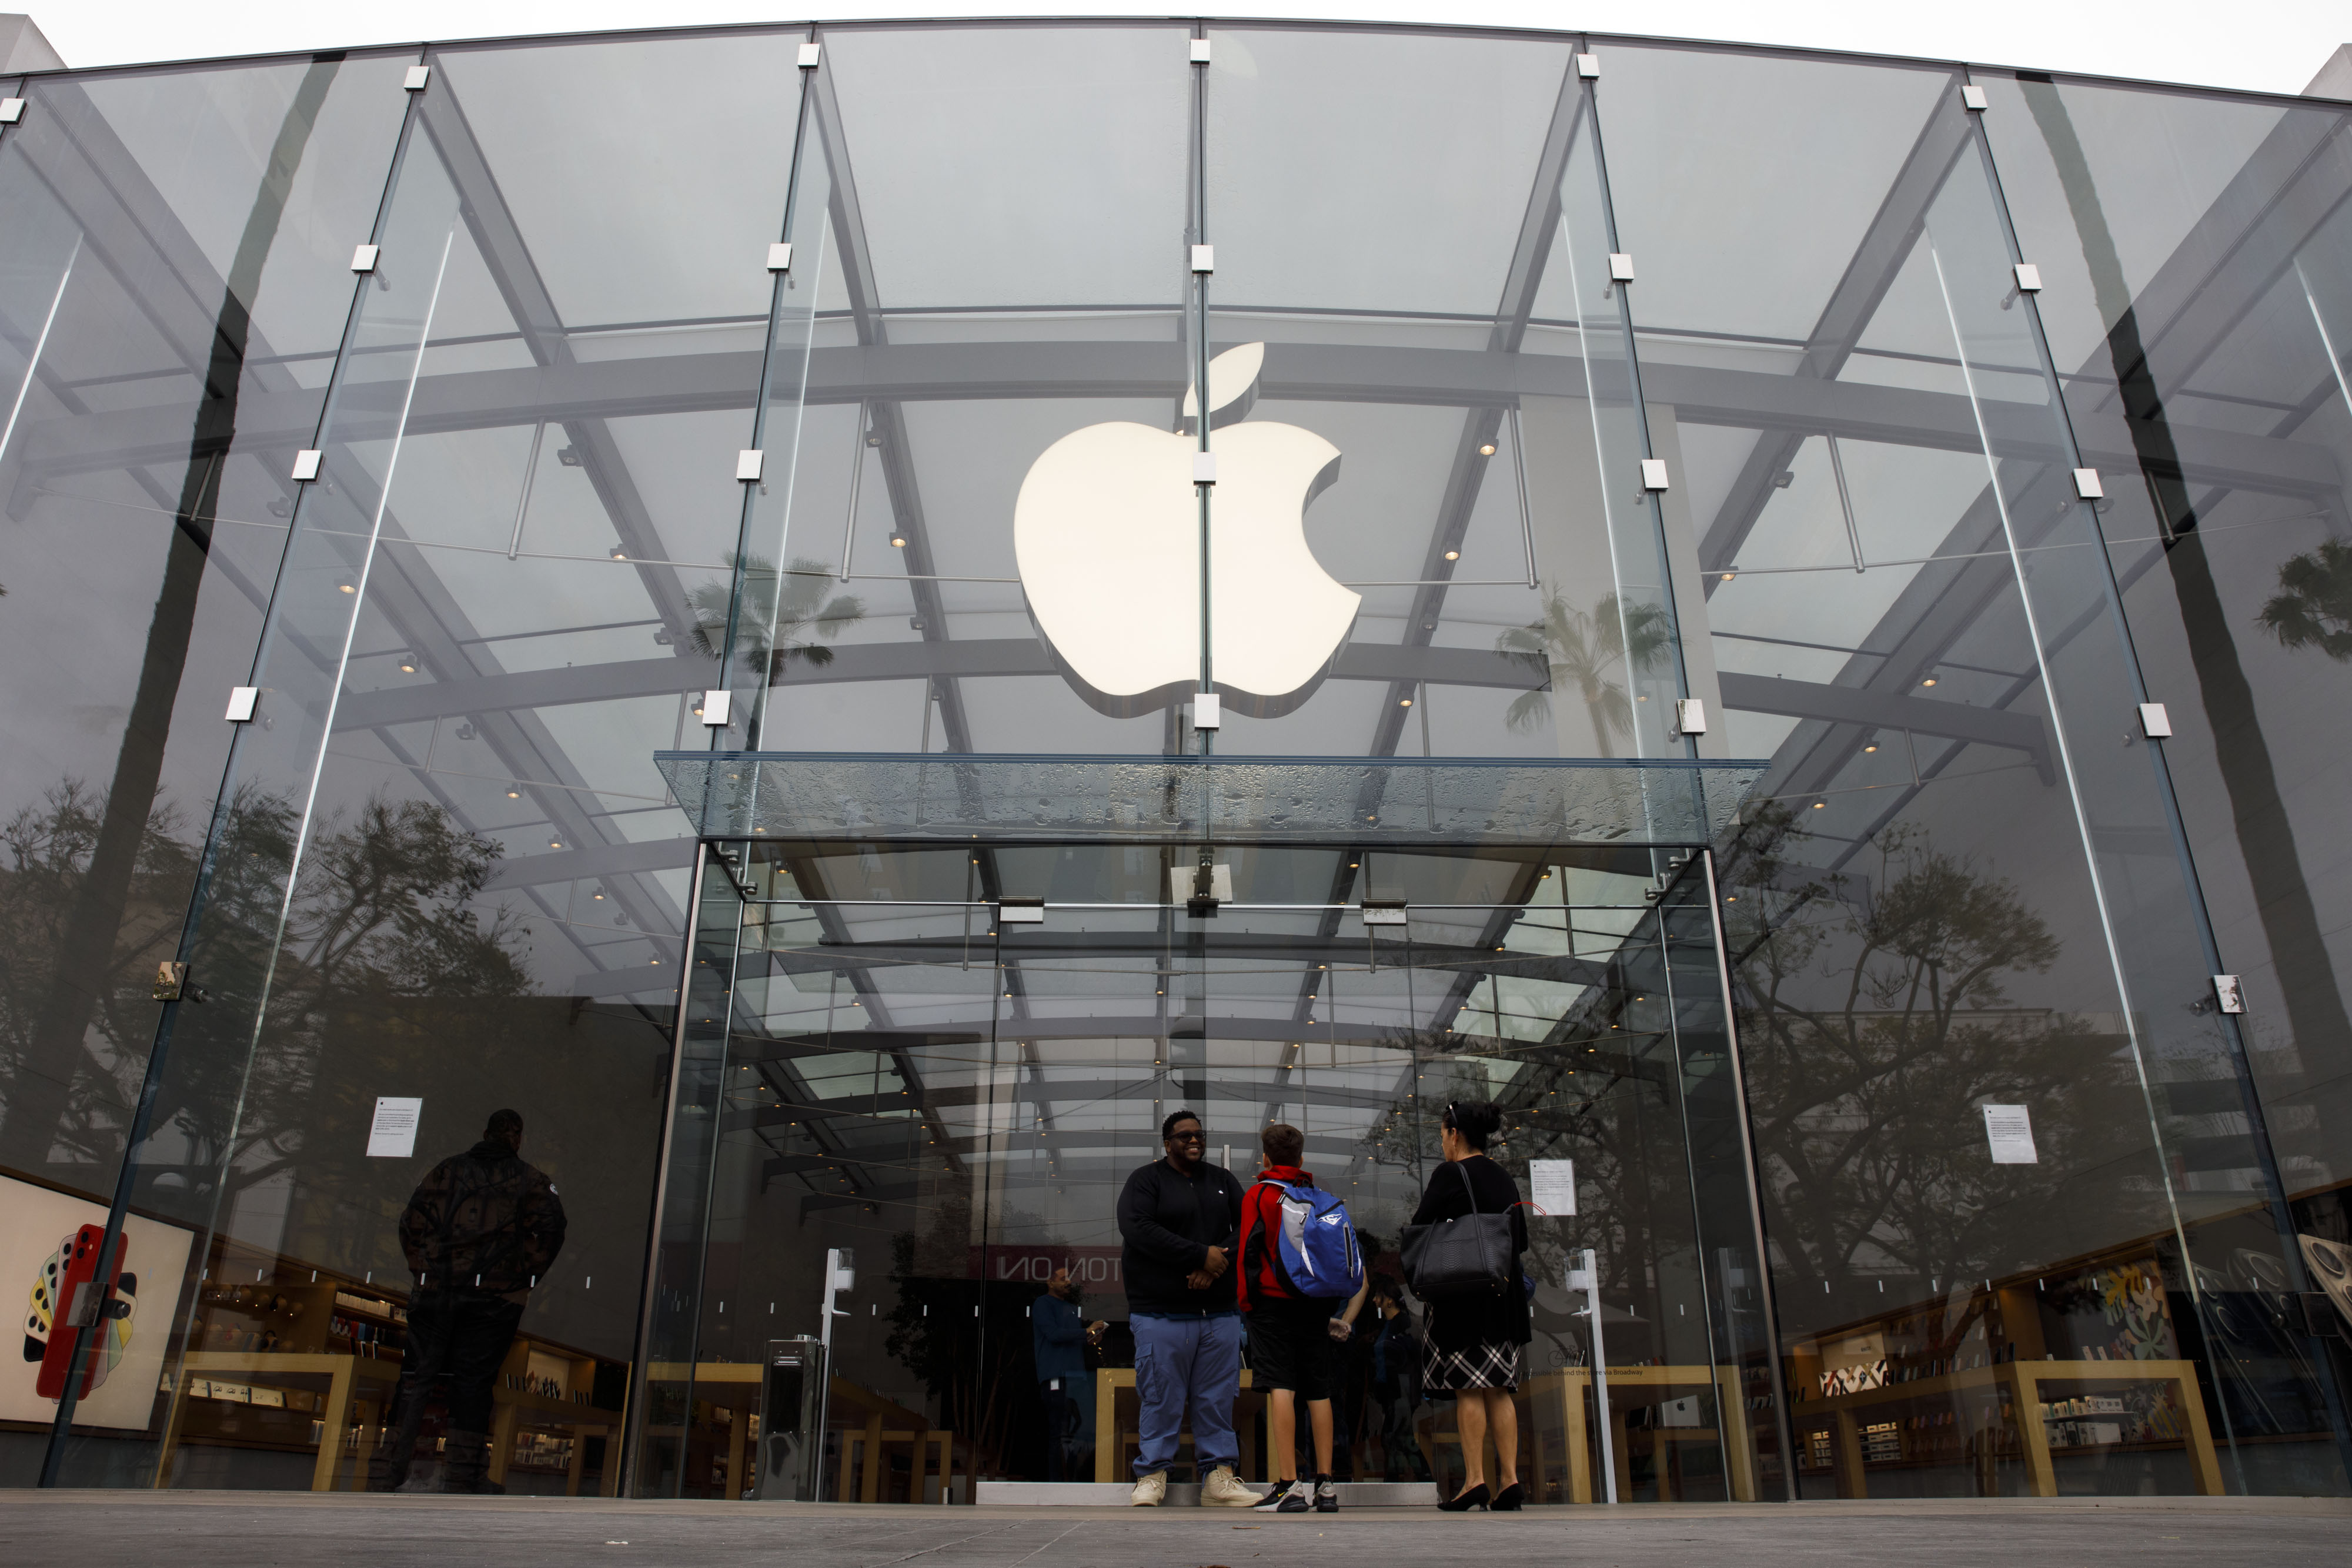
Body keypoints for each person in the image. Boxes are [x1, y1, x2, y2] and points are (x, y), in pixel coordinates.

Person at [375, 1109, 567, 1492]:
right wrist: (518, 1280)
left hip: (437, 1293)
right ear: (517, 1137)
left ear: (486, 1133)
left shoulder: (447, 1171)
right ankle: (462, 1474)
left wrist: (427, 1272)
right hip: (491, 1301)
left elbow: (411, 1221)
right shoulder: (530, 1180)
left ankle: (391, 1467)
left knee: (417, 1379)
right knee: (473, 1384)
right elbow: (552, 1230)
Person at [1115, 1109, 1256, 1507]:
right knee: (1161, 1396)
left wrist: (1212, 1266)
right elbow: (1137, 1227)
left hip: (1219, 1315)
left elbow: (1247, 1229)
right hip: (1160, 1313)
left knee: (1216, 1399)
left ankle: (1219, 1478)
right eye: (1184, 1135)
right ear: (1167, 1143)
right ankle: (1152, 1474)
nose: (1194, 1140)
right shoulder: (1147, 1180)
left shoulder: (1223, 1181)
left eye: (1199, 1134)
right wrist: (1198, 1255)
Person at [1235, 1122, 1368, 1513]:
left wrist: (1246, 1304)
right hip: (1315, 1304)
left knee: (1281, 1385)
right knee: (1318, 1388)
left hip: (1273, 1305)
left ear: (1266, 1158)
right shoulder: (1318, 1196)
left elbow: (1247, 1253)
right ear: (1302, 1159)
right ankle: (1326, 1485)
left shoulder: (1259, 1194)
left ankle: (1289, 1484)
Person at [1408, 1101, 1529, 1510]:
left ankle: (1475, 1479)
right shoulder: (1504, 1177)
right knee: (1499, 1390)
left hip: (1463, 1297)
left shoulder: (1450, 1173)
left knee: (1469, 1392)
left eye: (1443, 1134)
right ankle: (1510, 1479)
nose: (1442, 1142)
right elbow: (1520, 1240)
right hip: (1503, 1297)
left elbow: (1421, 1227)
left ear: (1454, 1134)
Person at [1032, 1266, 1105, 1482]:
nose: (1068, 1282)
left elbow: (1075, 1339)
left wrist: (1091, 1338)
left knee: (1079, 1433)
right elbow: (1054, 1335)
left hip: (1077, 1379)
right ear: (1049, 1281)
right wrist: (1085, 1332)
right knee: (1059, 1433)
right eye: (1063, 1278)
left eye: (1069, 1279)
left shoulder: (1072, 1309)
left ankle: (1074, 1483)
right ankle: (1057, 1486)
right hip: (1056, 1377)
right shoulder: (1042, 1304)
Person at [1367, 1278, 1434, 1482]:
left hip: (1402, 1390)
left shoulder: (1405, 1326)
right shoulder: (1388, 1327)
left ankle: (1416, 1477)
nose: (1374, 1300)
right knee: (1397, 1436)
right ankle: (1407, 1477)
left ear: (1389, 1301)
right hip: (1392, 1392)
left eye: (1379, 1296)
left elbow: (1411, 1360)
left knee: (1397, 1435)